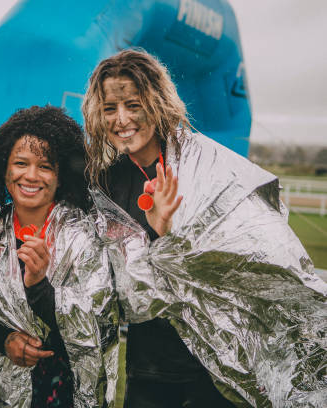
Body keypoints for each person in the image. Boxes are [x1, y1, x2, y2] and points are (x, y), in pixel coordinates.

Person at [82, 48, 326, 407]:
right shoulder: (104, 185)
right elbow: (121, 285)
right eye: (109, 108)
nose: (121, 119)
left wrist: (167, 234)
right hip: (149, 367)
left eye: (133, 105)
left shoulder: (206, 167)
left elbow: (246, 258)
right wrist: (161, 233)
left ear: (156, 102)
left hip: (217, 366)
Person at [0, 106, 119, 407]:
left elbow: (98, 326)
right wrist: (5, 340)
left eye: (45, 166)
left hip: (64, 391)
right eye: (20, 163)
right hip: (5, 392)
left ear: (61, 176)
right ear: (4, 169)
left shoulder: (82, 235)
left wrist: (39, 284)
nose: (30, 175)